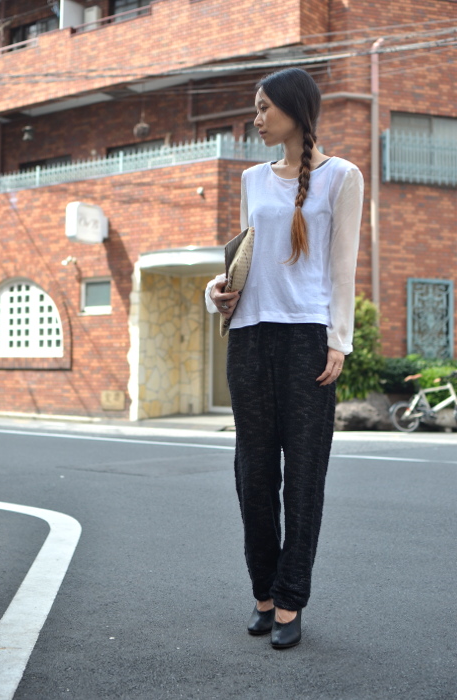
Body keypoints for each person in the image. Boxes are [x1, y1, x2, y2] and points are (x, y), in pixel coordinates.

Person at [205, 68, 364, 649]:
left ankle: (291, 598)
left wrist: (338, 340)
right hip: (249, 337)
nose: (256, 118)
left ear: (296, 110)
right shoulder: (252, 179)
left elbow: (342, 268)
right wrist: (214, 292)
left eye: (264, 107)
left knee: (302, 478)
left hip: (306, 342)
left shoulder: (343, 176)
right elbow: (247, 259)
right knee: (253, 476)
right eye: (256, 107)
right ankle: (263, 594)